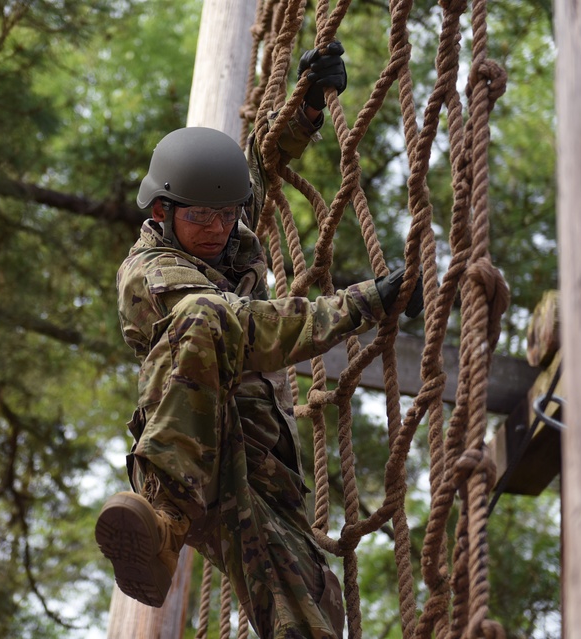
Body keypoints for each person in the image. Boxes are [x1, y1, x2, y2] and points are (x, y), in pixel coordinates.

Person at [95, 42, 423, 639]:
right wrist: (364, 302)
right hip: (202, 458)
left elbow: (257, 166)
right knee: (206, 317)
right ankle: (164, 523)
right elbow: (246, 330)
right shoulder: (150, 272)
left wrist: (305, 110)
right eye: (201, 217)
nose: (218, 228)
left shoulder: (218, 227)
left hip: (264, 469)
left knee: (313, 617)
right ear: (163, 212)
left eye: (227, 214)